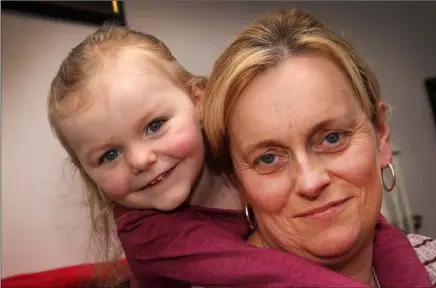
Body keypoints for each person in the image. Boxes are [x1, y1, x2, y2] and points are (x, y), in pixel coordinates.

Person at [48, 25, 408, 288]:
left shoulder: (238, 158)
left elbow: (380, 231)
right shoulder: (145, 231)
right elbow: (271, 273)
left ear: (198, 101)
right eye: (109, 154)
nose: (141, 160)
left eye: (155, 125)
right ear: (86, 172)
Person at [201, 9, 436, 288]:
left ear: (381, 135)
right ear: (237, 181)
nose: (310, 183)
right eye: (269, 158)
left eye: (332, 138)